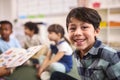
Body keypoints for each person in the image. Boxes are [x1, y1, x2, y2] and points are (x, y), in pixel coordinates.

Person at [50, 7, 120, 80]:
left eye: (84, 27)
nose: (77, 33)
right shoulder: (77, 52)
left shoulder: (110, 56)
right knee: (56, 75)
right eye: (73, 28)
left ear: (96, 31)